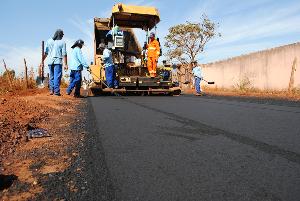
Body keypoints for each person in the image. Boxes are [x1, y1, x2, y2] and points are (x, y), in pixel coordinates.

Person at [41, 29, 68, 96]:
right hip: (58, 62)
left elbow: (46, 53)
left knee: (52, 76)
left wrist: (42, 61)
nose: (62, 36)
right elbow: (64, 54)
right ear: (59, 34)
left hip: (50, 62)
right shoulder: (62, 42)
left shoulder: (49, 41)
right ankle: (56, 92)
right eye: (62, 35)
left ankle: (51, 90)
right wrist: (65, 64)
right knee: (57, 77)